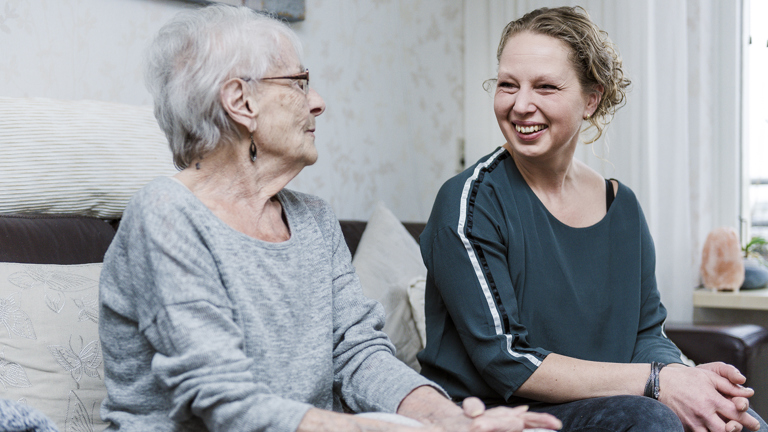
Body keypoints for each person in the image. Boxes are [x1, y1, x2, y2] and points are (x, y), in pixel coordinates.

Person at [97, 5, 562, 432]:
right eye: (299, 82)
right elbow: (221, 399)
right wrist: (370, 429)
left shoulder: (313, 219)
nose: (317, 101)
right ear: (241, 101)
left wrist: (450, 418)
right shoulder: (166, 215)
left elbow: (358, 353)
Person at [418, 6, 767, 432]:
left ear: (590, 99)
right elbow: (506, 360)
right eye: (508, 85)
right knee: (649, 418)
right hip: (492, 414)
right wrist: (658, 383)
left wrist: (691, 386)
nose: (520, 105)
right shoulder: (469, 202)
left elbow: (646, 335)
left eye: (545, 86)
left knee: (744, 423)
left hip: (609, 404)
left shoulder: (623, 208)